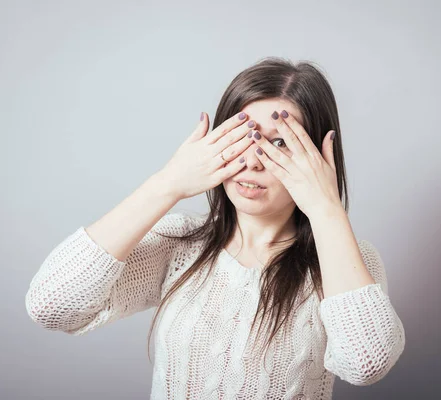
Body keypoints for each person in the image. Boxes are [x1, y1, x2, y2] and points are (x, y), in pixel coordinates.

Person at [25, 57, 406, 399]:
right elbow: (51, 306)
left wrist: (327, 210)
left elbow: (367, 362)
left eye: (278, 143)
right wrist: (167, 184)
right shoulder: (180, 244)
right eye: (243, 136)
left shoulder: (344, 264)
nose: (253, 162)